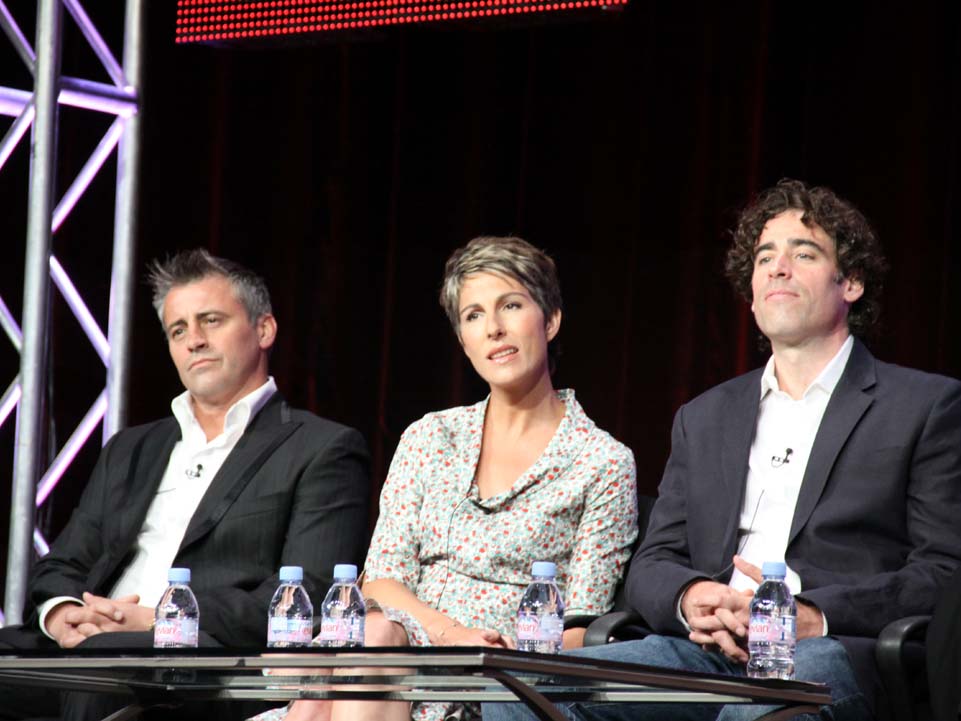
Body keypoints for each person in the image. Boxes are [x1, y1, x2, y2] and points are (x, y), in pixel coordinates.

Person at [485, 179, 961, 721]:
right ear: (751, 291)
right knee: (520, 691)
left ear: (850, 282)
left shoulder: (923, 406)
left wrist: (812, 613)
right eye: (765, 258)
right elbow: (654, 560)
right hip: (704, 651)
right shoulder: (704, 417)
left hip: (826, 650)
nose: (778, 269)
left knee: (753, 710)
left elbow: (943, 571)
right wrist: (691, 597)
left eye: (804, 254)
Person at [257, 235, 638, 721]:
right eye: (474, 316)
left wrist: (483, 655)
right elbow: (381, 582)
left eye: (511, 306)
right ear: (463, 341)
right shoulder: (429, 436)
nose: (494, 329)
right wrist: (447, 634)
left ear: (551, 320)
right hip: (389, 653)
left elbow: (580, 632)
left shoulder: (602, 462)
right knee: (370, 634)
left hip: (492, 680)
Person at [0, 249, 371, 720]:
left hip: (207, 661)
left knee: (109, 663)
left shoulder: (323, 448)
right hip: (86, 645)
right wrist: (64, 613)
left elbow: (312, 592)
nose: (194, 340)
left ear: (264, 330)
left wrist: (164, 618)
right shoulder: (131, 448)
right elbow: (62, 563)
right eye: (178, 330)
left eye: (211, 320)